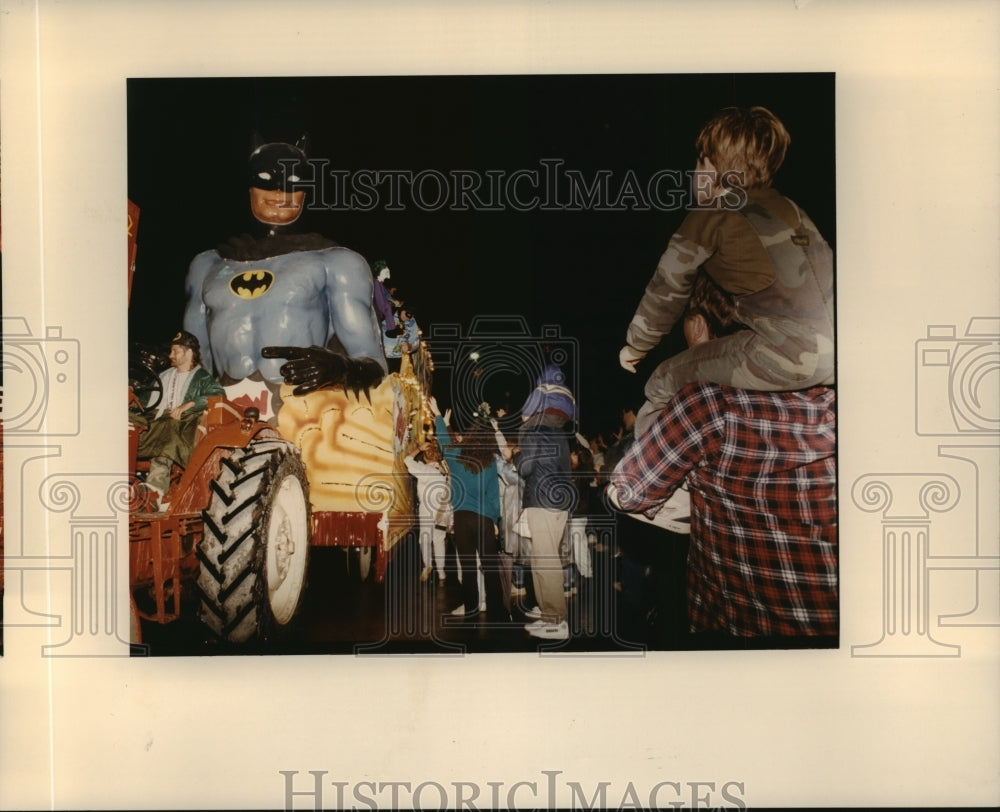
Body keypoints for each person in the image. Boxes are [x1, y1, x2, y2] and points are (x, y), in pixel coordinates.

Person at [610, 274, 837, 639]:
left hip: (739, 630)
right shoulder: (830, 397)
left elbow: (628, 492)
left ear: (698, 325)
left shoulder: (707, 402)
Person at [619, 105, 835, 438]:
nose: (693, 173)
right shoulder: (793, 209)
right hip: (840, 351)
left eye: (698, 163)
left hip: (790, 353)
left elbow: (667, 288)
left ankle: (642, 476)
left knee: (663, 379)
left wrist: (636, 345)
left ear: (713, 170)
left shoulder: (711, 214)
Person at [183, 136, 387, 420]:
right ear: (248, 187)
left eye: (295, 181)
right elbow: (190, 362)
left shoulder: (337, 263)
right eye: (266, 179)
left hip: (304, 415)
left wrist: (339, 369)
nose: (280, 190)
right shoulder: (207, 265)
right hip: (221, 415)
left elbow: (374, 365)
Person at [508, 364, 576, 641]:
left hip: (543, 501)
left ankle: (557, 621)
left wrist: (514, 455)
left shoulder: (535, 430)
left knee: (545, 561)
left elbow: (525, 468)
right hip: (556, 502)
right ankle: (547, 611)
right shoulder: (558, 432)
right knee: (542, 559)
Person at [129, 330, 225, 510]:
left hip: (182, 426)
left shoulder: (202, 378)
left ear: (189, 352)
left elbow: (218, 394)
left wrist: (189, 404)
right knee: (127, 421)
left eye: (175, 351)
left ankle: (155, 489)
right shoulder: (164, 375)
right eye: (171, 351)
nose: (170, 355)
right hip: (157, 418)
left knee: (169, 427)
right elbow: (146, 399)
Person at [430, 397, 502, 623]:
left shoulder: (456, 454)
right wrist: (495, 521)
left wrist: (439, 417)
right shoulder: (490, 463)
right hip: (484, 520)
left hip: (462, 518)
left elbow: (442, 441)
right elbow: (493, 496)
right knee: (490, 568)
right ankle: (496, 612)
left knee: (468, 567)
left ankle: (471, 608)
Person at [403, 438, 451, 585]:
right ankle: (442, 573)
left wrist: (419, 449)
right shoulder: (445, 470)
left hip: (427, 508)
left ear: (425, 457)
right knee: (439, 540)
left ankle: (427, 565)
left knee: (425, 538)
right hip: (443, 509)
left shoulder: (424, 470)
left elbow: (407, 460)